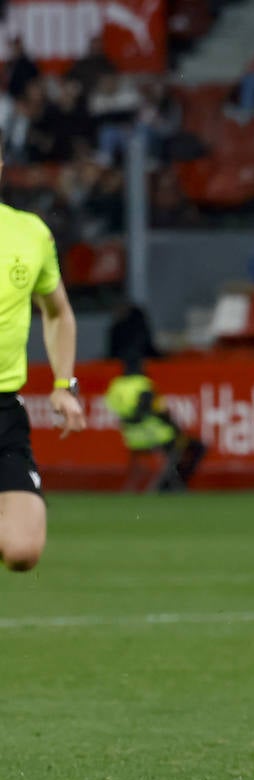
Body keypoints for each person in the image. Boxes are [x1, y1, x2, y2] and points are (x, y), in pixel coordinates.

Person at [0, 136, 86, 572]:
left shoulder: (30, 233)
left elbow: (57, 313)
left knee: (22, 551)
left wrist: (62, 385)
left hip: (3, 412)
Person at [103, 356, 205, 492]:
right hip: (156, 437)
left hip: (132, 439)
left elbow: (113, 409)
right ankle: (169, 485)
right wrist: (177, 430)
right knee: (196, 447)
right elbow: (159, 411)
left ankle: (167, 483)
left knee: (177, 450)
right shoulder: (143, 384)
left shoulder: (115, 386)